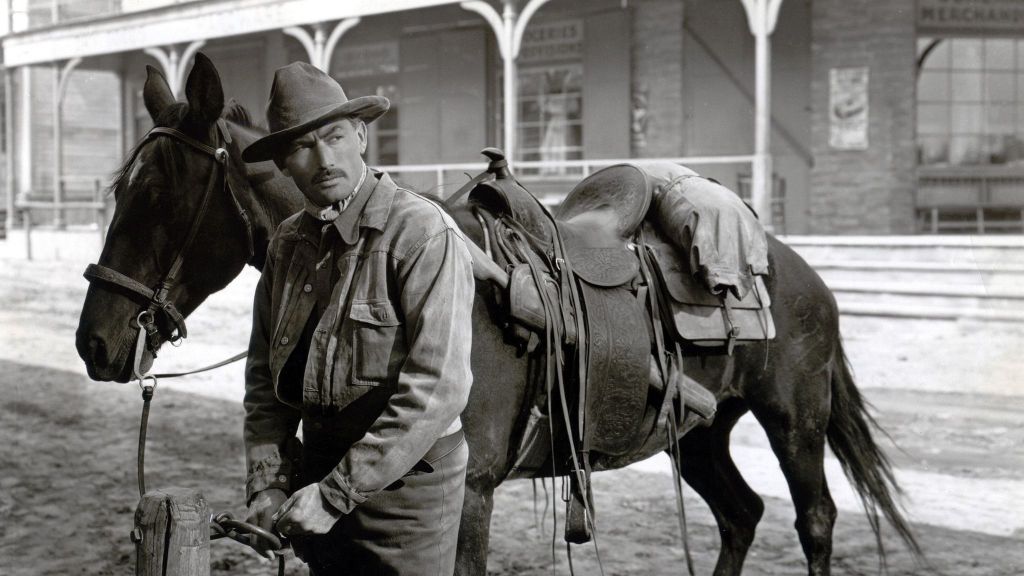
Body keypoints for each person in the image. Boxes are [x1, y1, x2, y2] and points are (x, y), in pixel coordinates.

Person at [240, 61, 475, 575]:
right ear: (283, 164)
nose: (324, 158)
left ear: (361, 136)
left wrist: (334, 495)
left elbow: (438, 386)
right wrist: (269, 481)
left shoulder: (420, 233)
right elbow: (264, 378)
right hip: (319, 477)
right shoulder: (286, 245)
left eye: (335, 136)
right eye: (302, 146)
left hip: (409, 490)